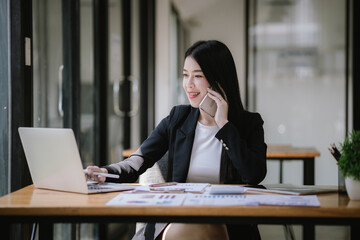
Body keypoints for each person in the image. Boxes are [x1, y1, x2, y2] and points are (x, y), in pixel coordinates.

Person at [85, 40, 267, 240]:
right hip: (176, 219)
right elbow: (138, 160)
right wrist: (105, 172)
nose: (188, 84)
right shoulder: (177, 118)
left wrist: (224, 125)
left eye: (197, 76)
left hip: (229, 224)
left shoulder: (248, 124)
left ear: (219, 81)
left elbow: (254, 174)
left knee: (206, 226)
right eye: (185, 75)